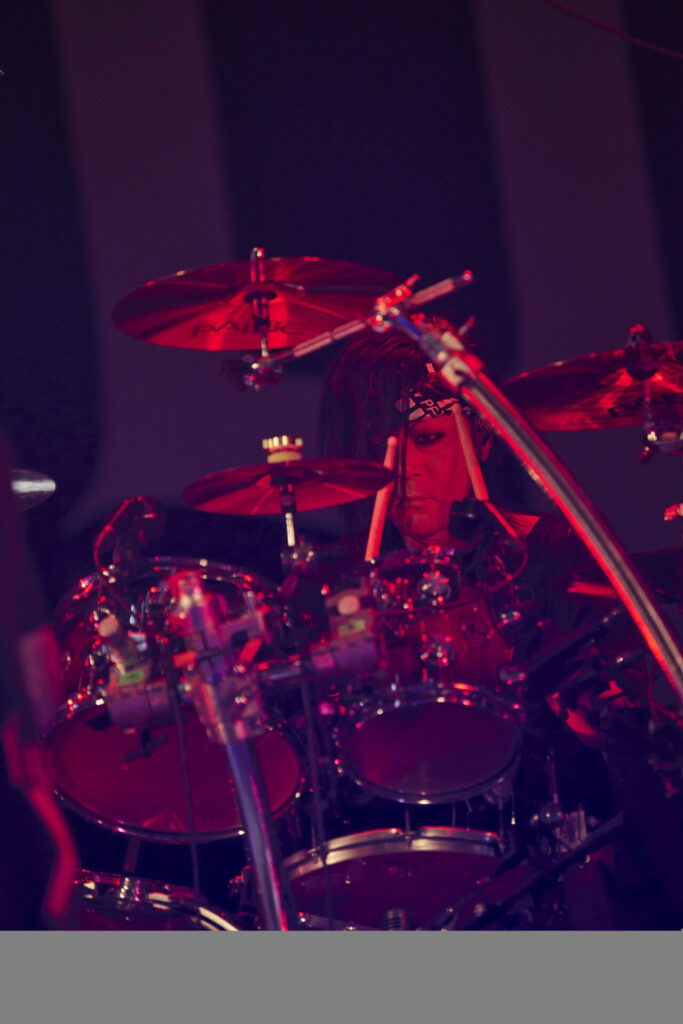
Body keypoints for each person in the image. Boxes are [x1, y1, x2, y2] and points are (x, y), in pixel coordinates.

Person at [315, 321, 683, 929]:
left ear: (481, 437)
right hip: (385, 872)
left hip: (548, 863)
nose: (404, 471)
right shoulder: (338, 580)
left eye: (427, 439)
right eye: (383, 450)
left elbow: (623, 727)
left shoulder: (551, 554)